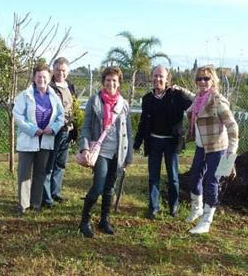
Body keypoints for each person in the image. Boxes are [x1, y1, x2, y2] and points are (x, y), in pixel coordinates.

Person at [78, 66, 133, 238]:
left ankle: (104, 220)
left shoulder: (123, 104)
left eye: (114, 80)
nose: (111, 83)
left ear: (119, 83)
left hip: (118, 152)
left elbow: (129, 132)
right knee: (98, 186)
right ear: (103, 82)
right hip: (100, 151)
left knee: (110, 188)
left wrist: (128, 156)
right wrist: (85, 147)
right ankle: (84, 221)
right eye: (108, 80)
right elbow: (86, 127)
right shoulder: (94, 101)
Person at [133, 65, 194, 219]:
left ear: (167, 79)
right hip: (154, 142)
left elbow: (196, 102)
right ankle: (153, 207)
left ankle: (173, 206)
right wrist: (137, 143)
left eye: (161, 76)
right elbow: (143, 123)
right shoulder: (147, 99)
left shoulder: (176, 96)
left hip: (171, 144)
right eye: (155, 76)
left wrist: (184, 91)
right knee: (153, 177)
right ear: (151, 78)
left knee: (173, 177)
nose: (158, 79)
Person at [186, 65, 238, 234]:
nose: (202, 81)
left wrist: (231, 151)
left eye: (206, 78)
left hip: (217, 148)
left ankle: (207, 219)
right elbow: (190, 111)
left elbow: (232, 125)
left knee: (211, 181)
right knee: (194, 177)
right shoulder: (198, 99)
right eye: (199, 78)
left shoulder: (217, 100)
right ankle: (197, 208)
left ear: (213, 80)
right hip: (202, 147)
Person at [13, 64, 65, 215]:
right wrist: (32, 129)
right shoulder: (25, 95)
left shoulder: (54, 96)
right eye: (38, 76)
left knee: (40, 172)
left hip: (46, 140)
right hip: (29, 139)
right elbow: (18, 115)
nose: (41, 79)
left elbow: (61, 117)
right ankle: (23, 205)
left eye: (44, 76)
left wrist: (53, 128)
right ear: (34, 78)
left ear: (49, 78)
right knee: (24, 173)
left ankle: (36, 204)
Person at [42, 57, 77, 207]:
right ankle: (46, 198)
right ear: (53, 70)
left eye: (63, 70)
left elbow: (74, 108)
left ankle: (56, 193)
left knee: (60, 164)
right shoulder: (48, 87)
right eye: (57, 70)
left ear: (67, 72)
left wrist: (75, 129)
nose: (60, 73)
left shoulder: (70, 87)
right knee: (49, 164)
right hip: (54, 131)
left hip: (67, 131)